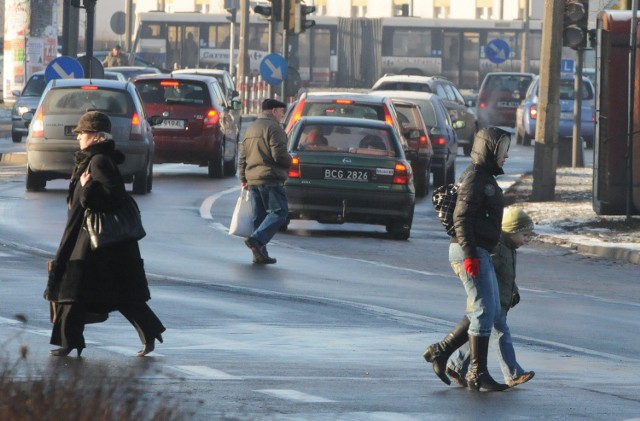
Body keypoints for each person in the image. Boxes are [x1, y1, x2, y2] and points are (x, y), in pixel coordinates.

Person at [44, 111, 165, 357]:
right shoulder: (91, 159)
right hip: (93, 238)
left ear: (96, 136)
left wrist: (87, 189)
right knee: (109, 292)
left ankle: (71, 342)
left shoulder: (98, 160)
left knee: (75, 289)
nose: (78, 137)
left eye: (83, 133)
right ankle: (71, 342)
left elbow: (114, 195)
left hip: (96, 241)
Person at [422, 127, 512, 392]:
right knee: (484, 310)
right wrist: (471, 255)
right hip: (469, 251)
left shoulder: (483, 176)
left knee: (486, 310)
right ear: (489, 150)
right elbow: (462, 218)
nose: (505, 156)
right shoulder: (475, 177)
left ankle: (441, 351)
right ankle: (477, 372)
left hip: (477, 250)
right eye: (502, 150)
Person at [445, 207, 536, 388]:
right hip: (490, 302)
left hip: (499, 301)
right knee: (501, 334)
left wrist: (514, 291)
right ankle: (513, 373)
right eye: (524, 235)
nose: (527, 240)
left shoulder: (510, 249)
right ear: (512, 231)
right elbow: (486, 276)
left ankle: (455, 365)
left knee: (477, 337)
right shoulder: (497, 249)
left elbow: (507, 276)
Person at [239, 98, 292, 264]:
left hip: (253, 179)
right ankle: (257, 240)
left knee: (260, 217)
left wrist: (243, 178)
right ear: (274, 111)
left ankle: (260, 254)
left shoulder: (250, 129)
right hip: (270, 177)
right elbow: (279, 155)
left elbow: (243, 157)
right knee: (279, 212)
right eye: (281, 113)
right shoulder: (275, 128)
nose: (282, 116)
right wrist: (291, 161)